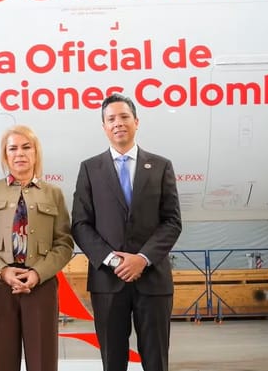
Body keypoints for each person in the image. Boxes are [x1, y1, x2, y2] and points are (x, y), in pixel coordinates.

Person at [71, 93, 182, 371]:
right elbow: (81, 224)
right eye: (111, 119)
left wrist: (142, 258)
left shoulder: (160, 166)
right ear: (104, 127)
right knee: (113, 361)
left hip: (152, 279)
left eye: (124, 117)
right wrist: (113, 259)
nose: (118, 123)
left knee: (156, 360)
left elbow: (172, 221)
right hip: (108, 282)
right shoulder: (90, 169)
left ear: (136, 121)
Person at [0, 125, 74, 371]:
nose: (20, 153)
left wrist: (38, 273)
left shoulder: (53, 193)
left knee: (42, 361)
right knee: (0, 360)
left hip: (41, 285)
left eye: (26, 147)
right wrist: (3, 271)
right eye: (13, 148)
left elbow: (64, 243)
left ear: (36, 153)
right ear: (5, 156)